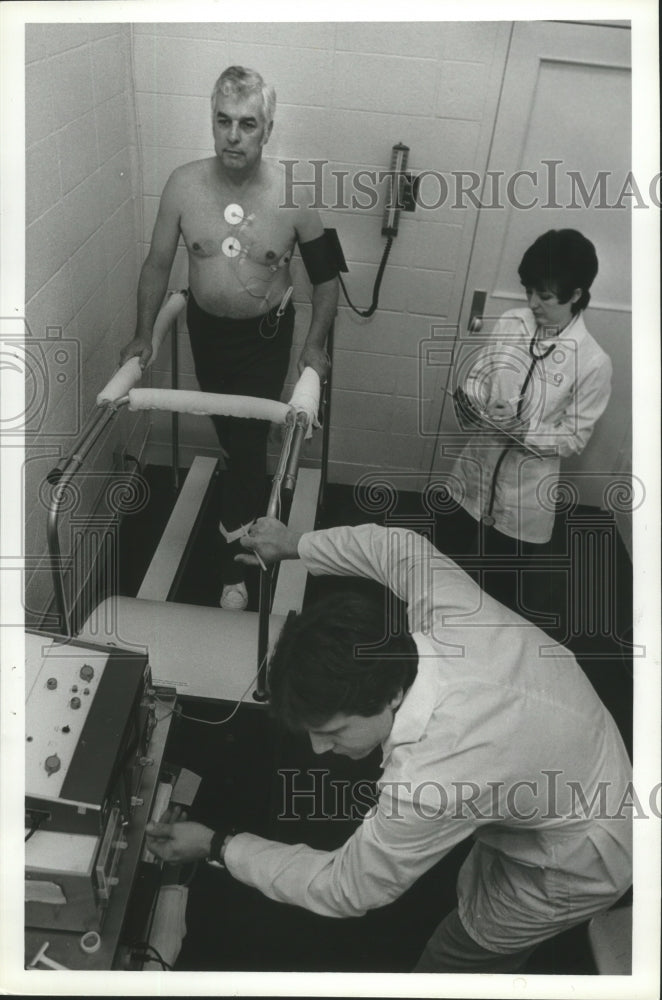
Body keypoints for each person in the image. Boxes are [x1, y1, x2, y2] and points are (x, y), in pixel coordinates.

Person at [146, 517, 632, 974]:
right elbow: (397, 547)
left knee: (462, 950)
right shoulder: (448, 611)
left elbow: (347, 887)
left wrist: (218, 844)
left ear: (392, 694)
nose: (317, 750)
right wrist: (294, 544)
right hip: (583, 747)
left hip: (578, 859)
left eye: (333, 732)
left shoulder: (430, 780)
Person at [120, 66, 339, 609]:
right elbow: (156, 264)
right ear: (212, 123)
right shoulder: (182, 184)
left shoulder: (295, 195)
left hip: (265, 338)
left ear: (268, 129)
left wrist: (314, 347)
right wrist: (143, 333)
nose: (233, 136)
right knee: (236, 436)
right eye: (224, 122)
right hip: (207, 332)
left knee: (244, 447)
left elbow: (329, 280)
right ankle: (251, 503)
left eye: (247, 124)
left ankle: (235, 559)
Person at [444, 229, 612, 619]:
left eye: (545, 296)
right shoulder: (511, 323)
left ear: (575, 295)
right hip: (474, 472)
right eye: (529, 291)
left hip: (525, 495)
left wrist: (524, 429)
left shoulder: (592, 362)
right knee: (440, 564)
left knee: (497, 597)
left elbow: (573, 439)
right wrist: (471, 398)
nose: (533, 303)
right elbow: (481, 377)